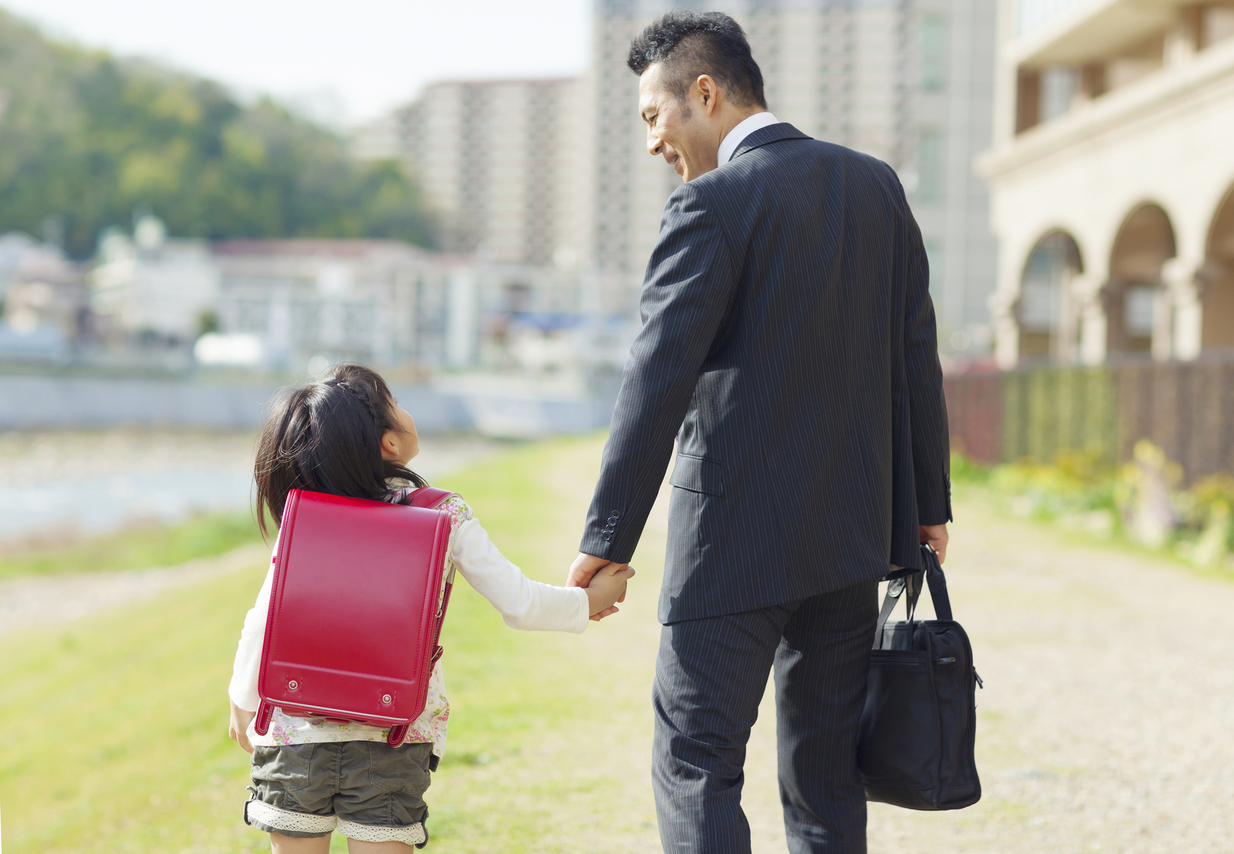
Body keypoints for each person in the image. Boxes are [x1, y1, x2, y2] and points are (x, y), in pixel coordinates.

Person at [566, 11, 951, 854]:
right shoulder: (876, 185)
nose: (651, 142)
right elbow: (916, 354)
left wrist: (606, 539)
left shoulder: (709, 205)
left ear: (703, 93)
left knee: (697, 762)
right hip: (852, 538)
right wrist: (927, 507)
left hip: (730, 551)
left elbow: (654, 384)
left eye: (652, 116)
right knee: (825, 783)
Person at [228, 363, 632, 853]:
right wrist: (588, 601)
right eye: (394, 402)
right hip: (392, 737)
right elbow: (520, 603)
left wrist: (242, 698)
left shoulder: (306, 517)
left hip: (295, 733)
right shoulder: (441, 514)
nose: (403, 408)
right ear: (388, 443)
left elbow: (265, 618)